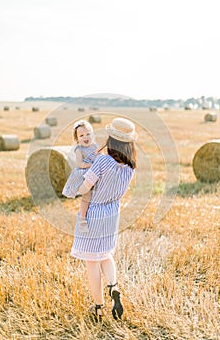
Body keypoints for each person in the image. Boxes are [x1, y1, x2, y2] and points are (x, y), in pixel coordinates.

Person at [70, 117, 137, 322]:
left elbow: (85, 187)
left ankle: (99, 308)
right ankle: (114, 286)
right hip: (112, 216)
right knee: (106, 256)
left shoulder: (102, 161)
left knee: (92, 263)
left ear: (112, 140)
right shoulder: (130, 167)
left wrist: (76, 188)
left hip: (94, 215)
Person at [62, 120, 99, 233]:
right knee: (86, 196)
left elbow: (101, 158)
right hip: (84, 174)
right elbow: (80, 164)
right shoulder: (79, 150)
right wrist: (92, 165)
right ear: (77, 139)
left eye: (88, 134)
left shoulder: (96, 146)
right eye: (81, 135)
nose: (85, 137)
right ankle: (83, 219)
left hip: (96, 172)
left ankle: (97, 217)